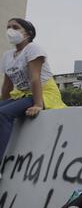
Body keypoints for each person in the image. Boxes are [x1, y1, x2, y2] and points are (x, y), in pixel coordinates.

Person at [0, 18, 66, 161]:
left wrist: (38, 105)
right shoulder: (7, 56)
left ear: (28, 33)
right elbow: (7, 85)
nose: (10, 30)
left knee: (3, 114)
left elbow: (35, 78)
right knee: (3, 109)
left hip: (42, 92)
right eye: (8, 27)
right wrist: (7, 103)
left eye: (15, 27)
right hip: (22, 95)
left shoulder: (33, 49)